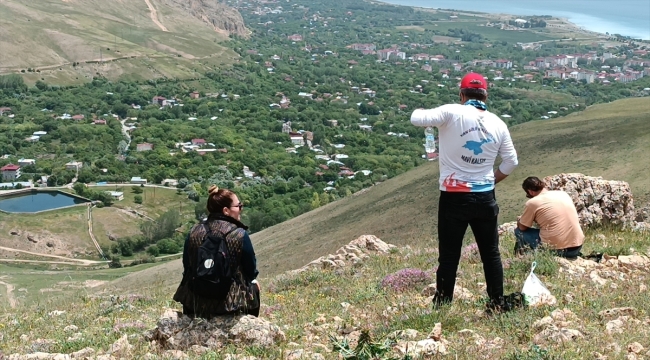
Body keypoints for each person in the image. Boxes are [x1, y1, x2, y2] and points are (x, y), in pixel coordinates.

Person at [410, 72, 519, 311]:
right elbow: (511, 162)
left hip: (453, 195)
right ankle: (497, 303)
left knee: (449, 255)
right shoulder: (498, 123)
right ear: (485, 95)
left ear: (462, 94)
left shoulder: (451, 112)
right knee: (491, 253)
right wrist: (491, 180)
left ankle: (443, 305)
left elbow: (416, 118)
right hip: (485, 196)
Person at [173, 185, 260, 318]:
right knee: (254, 284)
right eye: (239, 206)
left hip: (195, 301)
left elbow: (188, 265)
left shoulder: (194, 231)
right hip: (230, 304)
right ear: (226, 210)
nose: (241, 209)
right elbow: (251, 270)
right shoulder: (239, 234)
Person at [516, 176, 584, 259]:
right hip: (577, 247)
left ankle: (526, 258)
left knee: (518, 232)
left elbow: (522, 228)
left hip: (558, 250)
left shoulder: (532, 202)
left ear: (530, 192)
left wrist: (520, 221)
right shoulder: (562, 193)